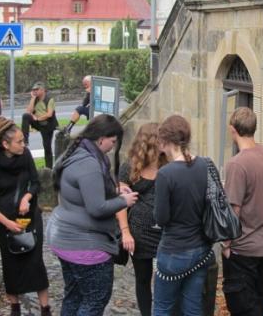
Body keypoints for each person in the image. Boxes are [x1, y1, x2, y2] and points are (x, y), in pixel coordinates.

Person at [46, 114, 138, 316]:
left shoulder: (77, 153)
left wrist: (115, 192)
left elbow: (86, 192)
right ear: (101, 138)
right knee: (95, 299)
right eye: (113, 142)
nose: (112, 147)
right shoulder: (89, 164)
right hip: (84, 245)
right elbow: (96, 208)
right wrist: (124, 201)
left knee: (74, 295)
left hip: (64, 238)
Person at [0, 117, 51, 316]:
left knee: (36, 261)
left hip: (30, 218)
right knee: (11, 264)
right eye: (19, 141)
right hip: (6, 222)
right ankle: (15, 308)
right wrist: (7, 223)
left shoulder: (26, 155)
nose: (24, 144)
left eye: (24, 140)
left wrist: (27, 197)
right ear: (6, 144)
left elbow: (36, 183)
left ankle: (45, 308)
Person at [221, 107, 263, 316]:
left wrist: (226, 245)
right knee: (261, 302)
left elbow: (234, 210)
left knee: (242, 307)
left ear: (233, 130)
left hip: (243, 248)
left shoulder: (236, 164)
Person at [153, 115, 213, 315]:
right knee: (192, 306)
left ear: (166, 141)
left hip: (174, 250)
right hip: (200, 248)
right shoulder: (204, 165)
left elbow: (161, 218)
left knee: (162, 306)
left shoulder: (166, 174)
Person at [117, 123, 167, 316]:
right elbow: (121, 202)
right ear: (151, 142)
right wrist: (125, 232)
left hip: (165, 233)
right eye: (160, 139)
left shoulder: (168, 164)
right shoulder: (129, 167)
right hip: (140, 233)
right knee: (143, 279)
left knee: (165, 278)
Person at [21, 82, 58, 169]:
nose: (34, 91)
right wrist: (33, 98)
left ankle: (49, 168)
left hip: (47, 124)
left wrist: (37, 118)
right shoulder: (35, 99)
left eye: (36, 90)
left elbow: (49, 114)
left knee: (47, 147)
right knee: (25, 116)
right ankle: (25, 140)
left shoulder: (49, 99)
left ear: (42, 90)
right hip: (38, 123)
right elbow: (28, 111)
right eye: (33, 90)